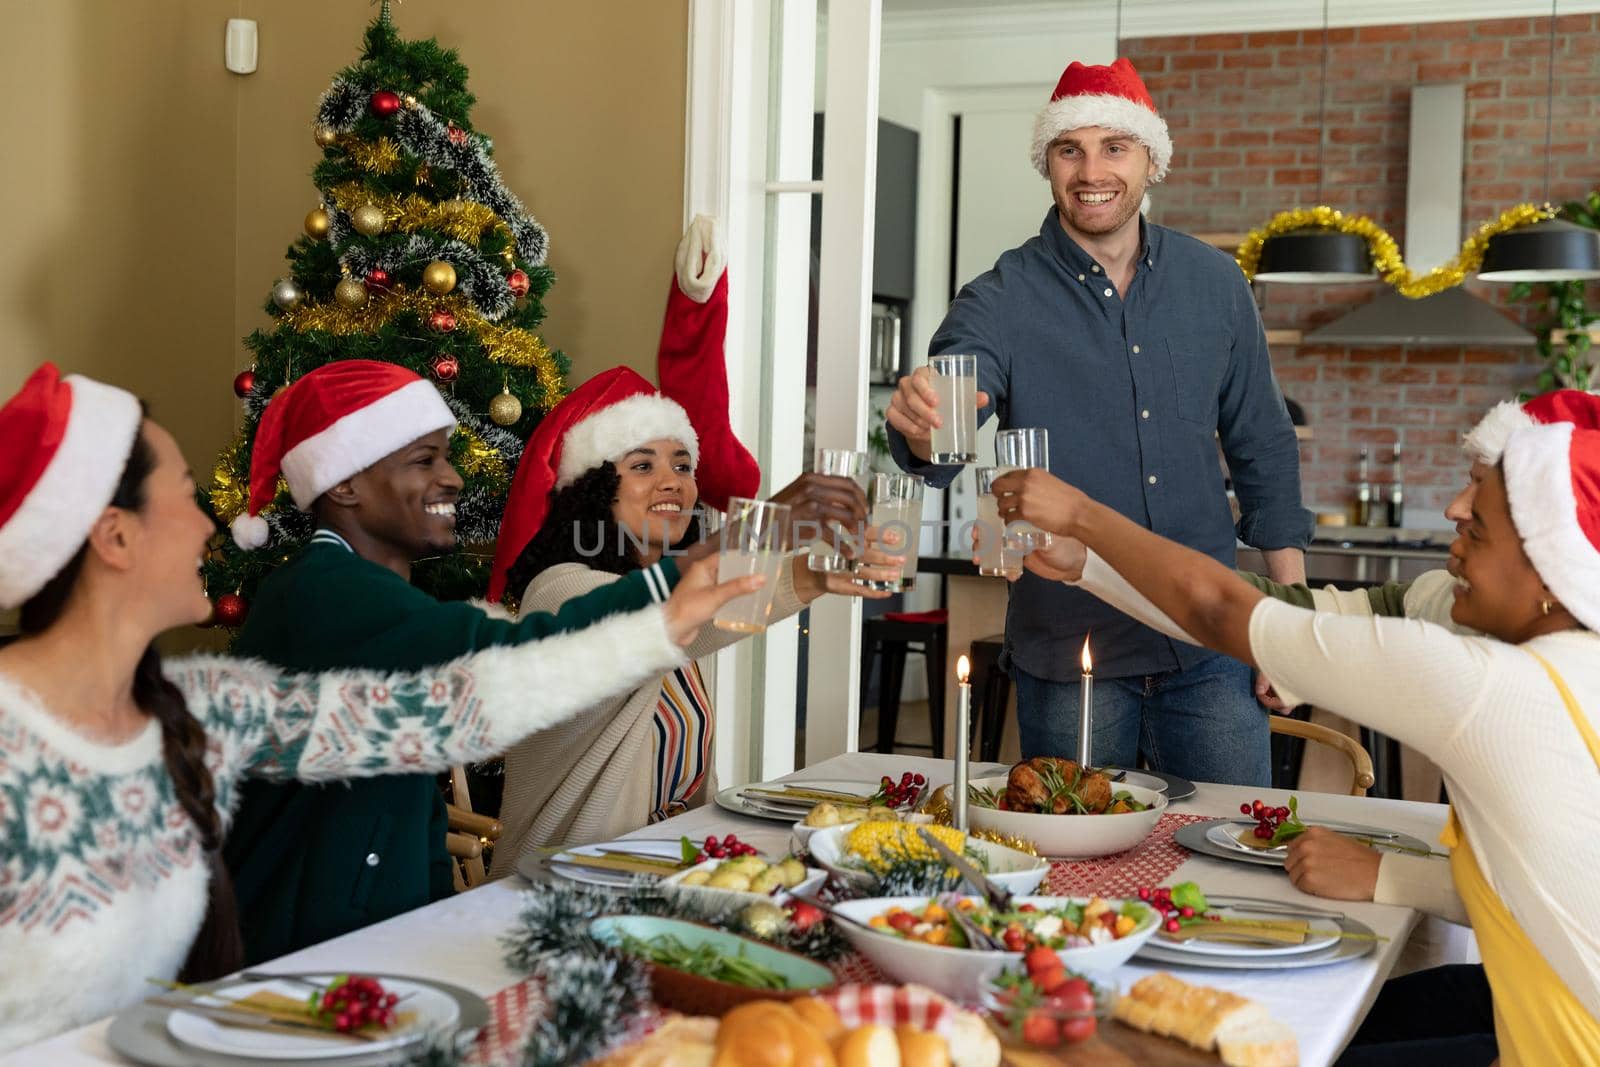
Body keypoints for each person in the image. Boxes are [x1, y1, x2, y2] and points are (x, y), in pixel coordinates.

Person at [0, 365, 755, 1048]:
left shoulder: (209, 700)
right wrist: (689, 577)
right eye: (187, 496)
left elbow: (446, 727)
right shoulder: (314, 595)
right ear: (115, 534)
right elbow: (506, 663)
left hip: (330, 1000)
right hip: (280, 1002)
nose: (207, 523)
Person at [993, 405, 1600, 1064]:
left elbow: (1223, 610)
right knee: (1332, 1020)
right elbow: (1273, 611)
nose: (1454, 510)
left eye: (1479, 521)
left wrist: (1083, 514)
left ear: (1552, 568)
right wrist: (1086, 560)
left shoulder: (1491, 686)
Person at [884, 57, 1310, 786]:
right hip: (1068, 649)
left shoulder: (1216, 284)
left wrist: (1288, 624)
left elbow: (1262, 448)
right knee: (1070, 868)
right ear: (1047, 164)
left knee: (1233, 855)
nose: (1091, 170)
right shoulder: (999, 295)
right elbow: (948, 417)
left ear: (1152, 160)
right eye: (1068, 149)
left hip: (1207, 640)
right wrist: (924, 423)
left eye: (1114, 147)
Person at [218, 360, 725, 965]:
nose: (454, 478)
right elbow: (522, 656)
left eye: (446, 457)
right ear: (344, 484)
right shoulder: (325, 592)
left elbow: (411, 809)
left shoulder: (361, 592)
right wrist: (715, 560)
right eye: (424, 459)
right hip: (306, 967)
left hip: (379, 945)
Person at [486, 368, 903, 865]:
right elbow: (659, 619)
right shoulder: (558, 591)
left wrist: (817, 572)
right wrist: (767, 534)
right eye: (642, 466)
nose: (672, 482)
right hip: (558, 886)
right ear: (592, 488)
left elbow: (708, 610)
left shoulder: (683, 593)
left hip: (662, 874)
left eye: (683, 467)